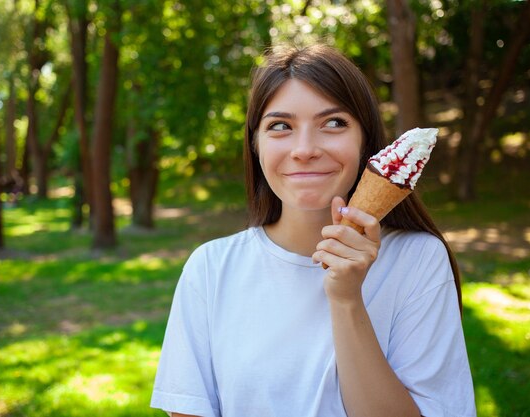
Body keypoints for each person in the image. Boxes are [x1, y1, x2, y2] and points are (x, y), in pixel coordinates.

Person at [150, 43, 476, 417]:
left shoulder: (418, 259)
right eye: (281, 126)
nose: (304, 149)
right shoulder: (210, 268)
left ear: (366, 142)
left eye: (333, 123)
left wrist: (346, 299)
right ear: (255, 145)